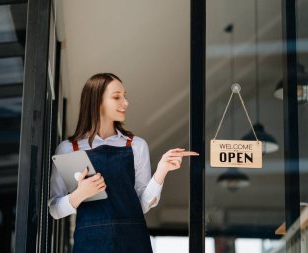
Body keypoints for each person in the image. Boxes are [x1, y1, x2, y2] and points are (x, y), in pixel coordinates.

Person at [48, 73, 198, 253]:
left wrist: (162, 170)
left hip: (133, 242)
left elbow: (141, 205)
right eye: (117, 97)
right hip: (89, 244)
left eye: (125, 96)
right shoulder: (68, 148)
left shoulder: (136, 145)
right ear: (97, 101)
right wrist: (79, 194)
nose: (125, 103)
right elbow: (54, 210)